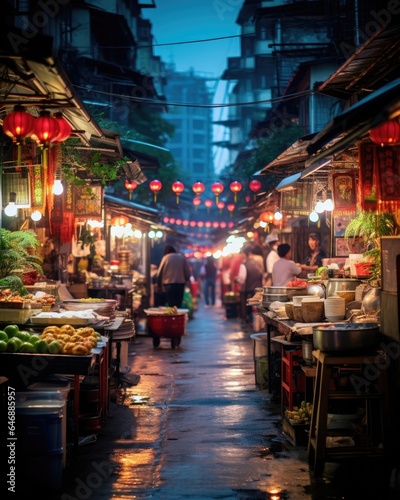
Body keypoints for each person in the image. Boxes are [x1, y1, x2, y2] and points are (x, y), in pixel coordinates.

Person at [236, 245, 263, 323]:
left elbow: (241, 279)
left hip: (249, 290)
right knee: (258, 310)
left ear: (246, 254)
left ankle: (250, 323)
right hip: (258, 290)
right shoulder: (258, 263)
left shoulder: (244, 264)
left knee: (250, 310)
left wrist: (237, 279)